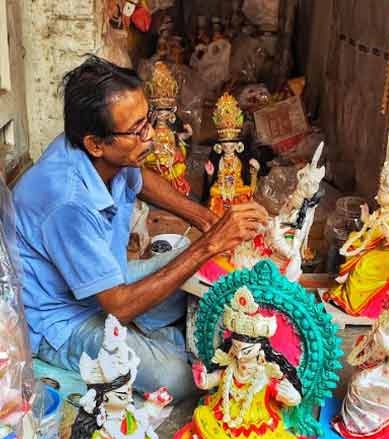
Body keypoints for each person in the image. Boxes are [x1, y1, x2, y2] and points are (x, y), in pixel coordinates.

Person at [14, 55, 268, 400]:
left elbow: (139, 180)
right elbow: (117, 305)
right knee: (177, 377)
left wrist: (204, 219)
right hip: (63, 319)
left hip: (108, 282)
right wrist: (208, 243)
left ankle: (151, 335)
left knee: (188, 261)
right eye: (137, 130)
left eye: (147, 121)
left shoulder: (111, 154)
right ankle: (149, 341)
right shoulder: (68, 201)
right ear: (95, 144)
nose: (150, 136)